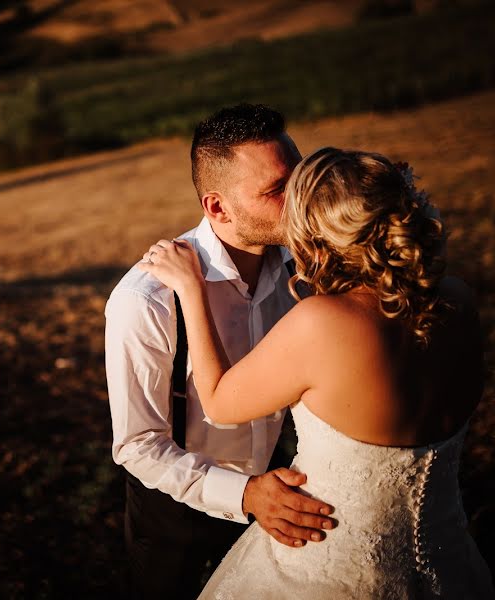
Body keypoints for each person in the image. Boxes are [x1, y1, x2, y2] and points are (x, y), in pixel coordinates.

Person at [138, 147, 495, 599]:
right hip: (450, 565)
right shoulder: (458, 301)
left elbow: (218, 403)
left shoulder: (323, 323)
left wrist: (191, 290)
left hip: (332, 569)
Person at [104, 104, 335, 600]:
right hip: (175, 511)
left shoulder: (305, 268)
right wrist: (245, 494)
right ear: (217, 208)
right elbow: (137, 443)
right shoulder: (144, 300)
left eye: (299, 180)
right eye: (276, 191)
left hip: (279, 487)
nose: (299, 202)